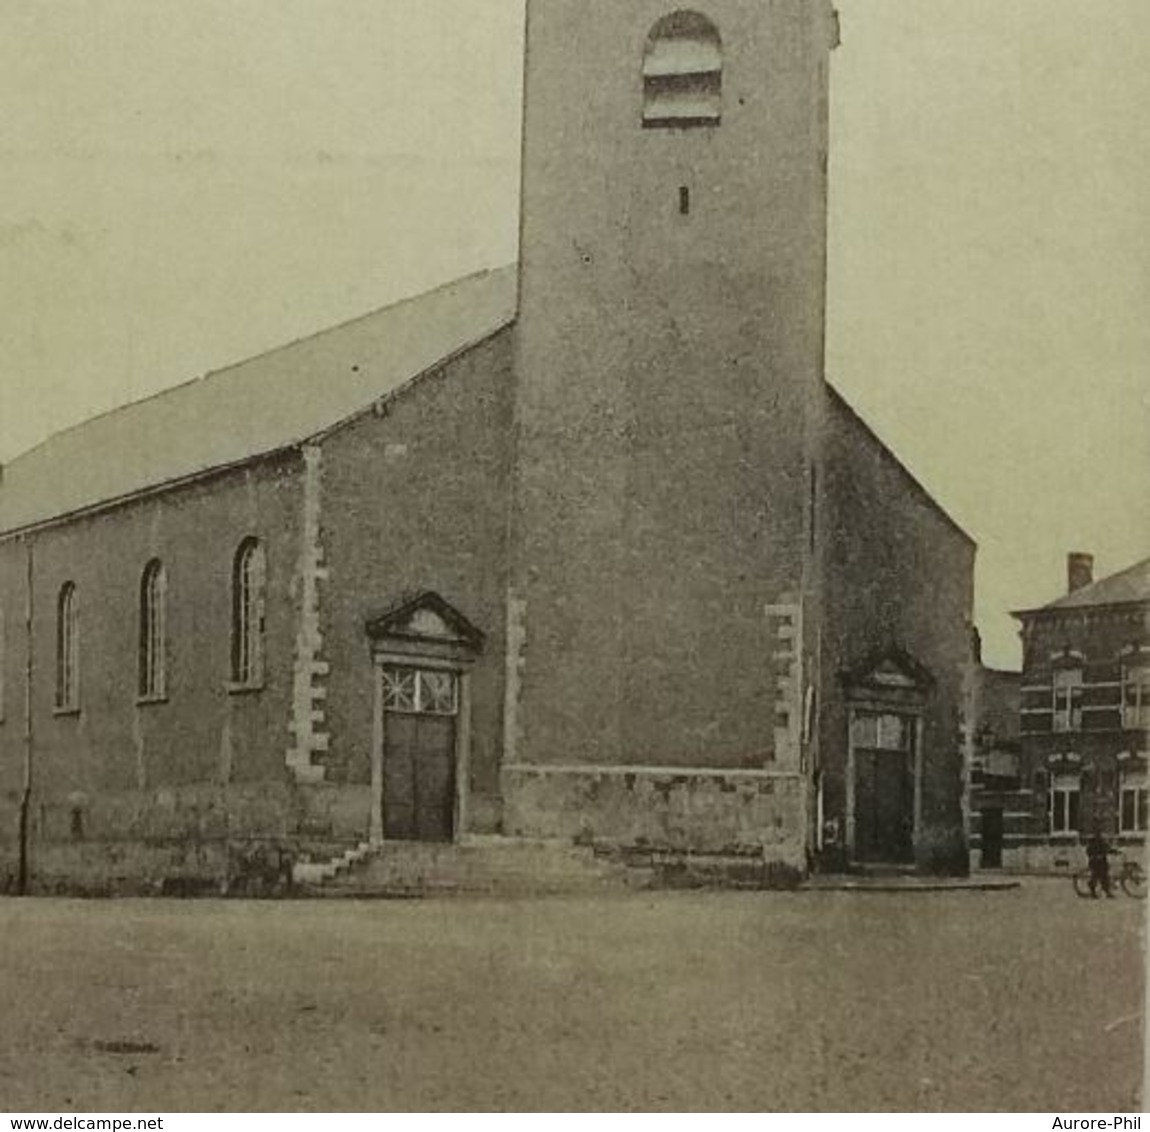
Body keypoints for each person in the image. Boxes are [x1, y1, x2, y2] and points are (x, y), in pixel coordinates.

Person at [1085, 828, 1115, 898]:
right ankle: (1093, 891)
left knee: (1105, 876)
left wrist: (1115, 851)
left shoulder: (1102, 842)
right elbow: (1089, 851)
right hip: (1095, 862)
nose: (1101, 835)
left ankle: (1107, 892)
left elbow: (1108, 849)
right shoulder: (1092, 843)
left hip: (1102, 862)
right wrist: (1095, 856)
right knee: (1097, 875)